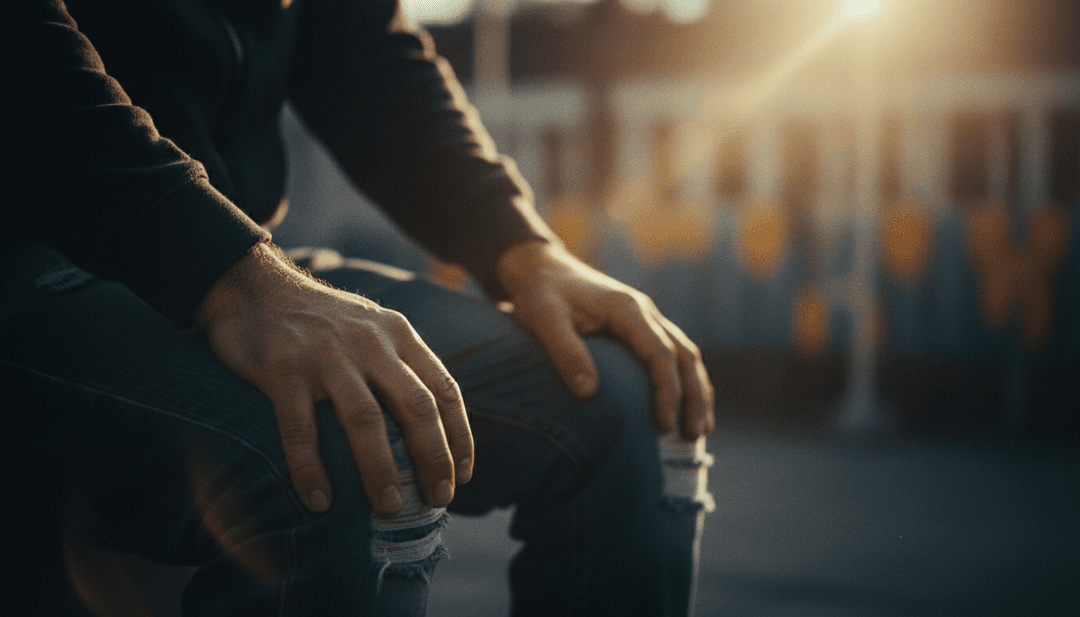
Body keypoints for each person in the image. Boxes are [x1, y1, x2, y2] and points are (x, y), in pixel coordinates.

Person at [2, 0, 716, 615]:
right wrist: (219, 264)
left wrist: (521, 247)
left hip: (237, 244)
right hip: (37, 248)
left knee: (623, 391)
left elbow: (364, 53)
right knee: (331, 440)